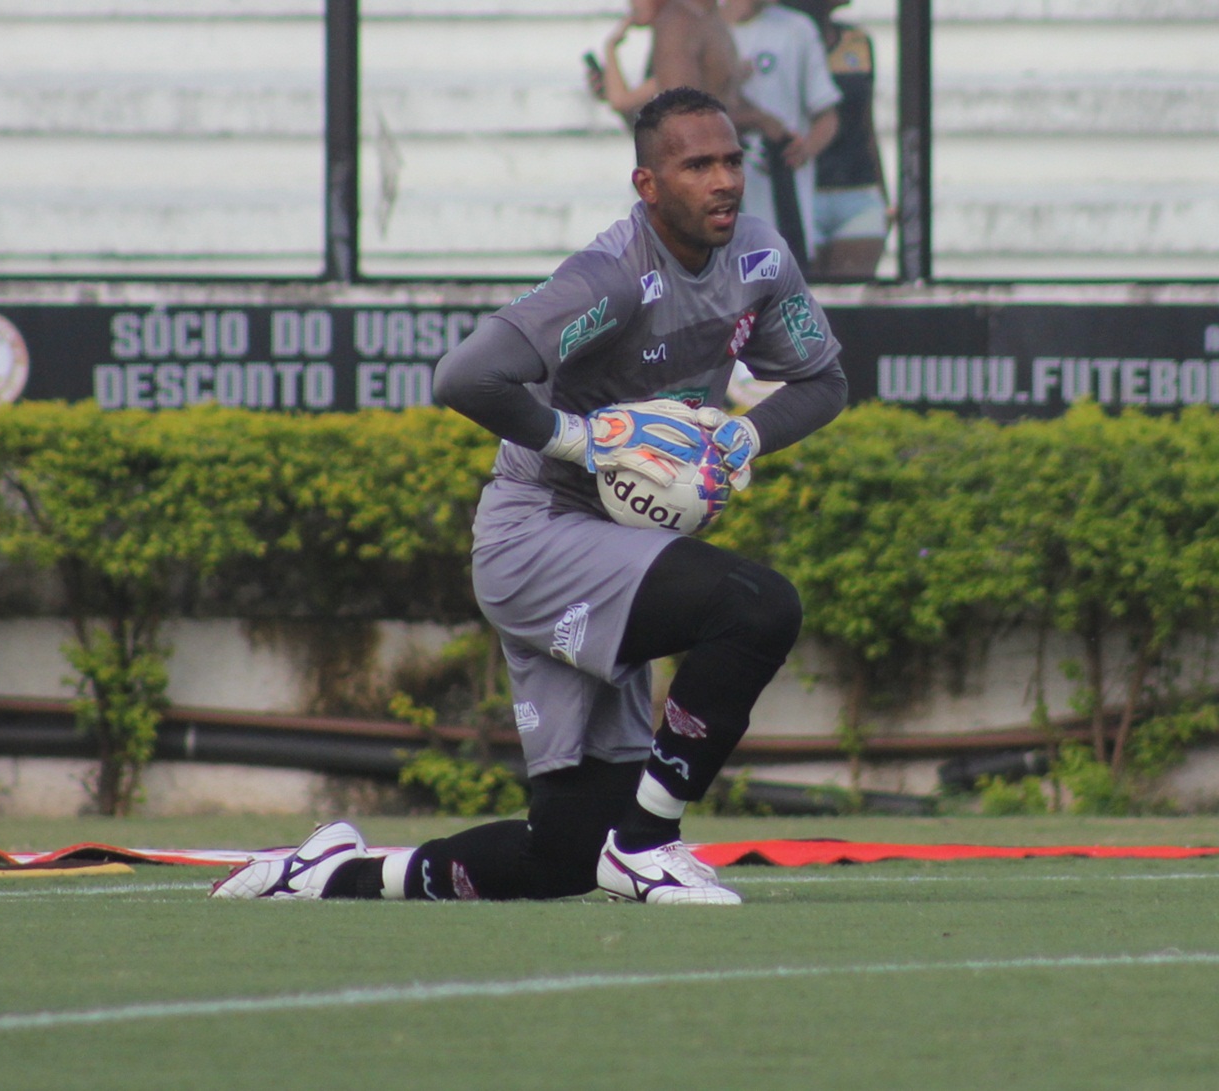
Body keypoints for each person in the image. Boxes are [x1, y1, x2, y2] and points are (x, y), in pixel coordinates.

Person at [211, 87, 847, 907]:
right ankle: (650, 845)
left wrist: (743, 435)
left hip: (611, 544)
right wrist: (583, 440)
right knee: (756, 607)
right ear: (646, 186)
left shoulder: (760, 258)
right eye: (695, 165)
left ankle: (330, 872)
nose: (722, 180)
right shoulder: (610, 278)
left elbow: (821, 379)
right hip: (537, 534)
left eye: (731, 160)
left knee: (564, 854)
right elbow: (464, 375)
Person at [721, 0, 842, 270]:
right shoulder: (702, 27)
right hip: (723, 207)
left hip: (783, 202)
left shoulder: (796, 29)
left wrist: (806, 147)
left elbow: (827, 114)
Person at [781, 0, 890, 280]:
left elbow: (866, 121)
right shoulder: (782, 40)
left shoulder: (857, 41)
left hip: (858, 189)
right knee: (808, 302)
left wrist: (883, 195)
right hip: (803, 191)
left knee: (852, 296)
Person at [588, 0, 747, 126]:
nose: (632, 4)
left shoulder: (676, 27)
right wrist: (608, 87)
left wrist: (611, 48)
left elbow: (620, 101)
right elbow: (647, 125)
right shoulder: (700, 20)